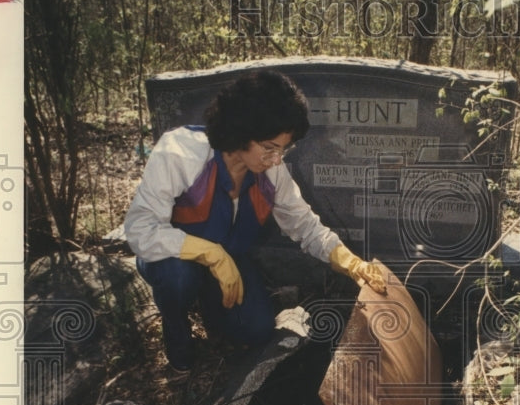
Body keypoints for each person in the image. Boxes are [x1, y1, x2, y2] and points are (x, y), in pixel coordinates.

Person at [124, 70, 386, 371]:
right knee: (178, 278)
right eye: (269, 148)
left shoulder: (272, 173)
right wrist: (210, 253)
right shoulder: (180, 152)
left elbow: (304, 225)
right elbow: (140, 230)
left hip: (230, 261)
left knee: (257, 329)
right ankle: (176, 332)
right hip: (172, 258)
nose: (277, 160)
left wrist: (350, 262)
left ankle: (211, 309)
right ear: (240, 133)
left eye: (283, 149)